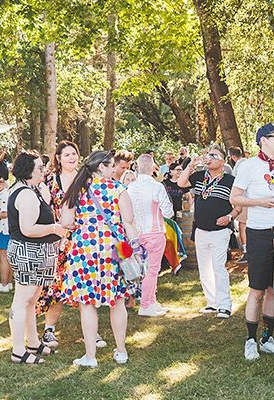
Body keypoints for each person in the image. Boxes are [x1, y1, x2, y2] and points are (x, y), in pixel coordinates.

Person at [230, 123, 274, 360]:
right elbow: (235, 198)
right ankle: (250, 340)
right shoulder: (248, 166)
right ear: (263, 140)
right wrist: (259, 202)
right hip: (259, 232)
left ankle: (267, 338)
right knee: (257, 290)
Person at [61, 150, 139, 368]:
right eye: (112, 165)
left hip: (84, 249)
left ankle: (90, 356)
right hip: (114, 249)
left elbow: (66, 221)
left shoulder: (77, 189)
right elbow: (129, 222)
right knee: (118, 300)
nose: (114, 169)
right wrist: (136, 249)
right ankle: (121, 351)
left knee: (87, 302)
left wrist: (84, 225)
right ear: (101, 167)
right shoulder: (119, 189)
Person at [6, 151, 66, 364]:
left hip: (36, 252)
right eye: (40, 167)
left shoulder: (31, 190)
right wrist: (55, 228)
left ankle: (33, 343)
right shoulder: (26, 194)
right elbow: (28, 229)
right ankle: (18, 350)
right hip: (28, 252)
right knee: (22, 301)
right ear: (28, 170)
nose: (44, 170)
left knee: (31, 301)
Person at [179, 147, 241, 319]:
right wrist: (191, 165)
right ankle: (212, 302)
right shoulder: (199, 176)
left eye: (214, 155)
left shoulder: (230, 180)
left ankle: (224, 305)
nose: (210, 158)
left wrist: (229, 217)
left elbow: (238, 206)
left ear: (223, 161)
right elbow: (181, 183)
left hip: (220, 231)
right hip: (200, 229)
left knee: (218, 267)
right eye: (209, 155)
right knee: (204, 268)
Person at [37, 141, 86, 348]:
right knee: (55, 285)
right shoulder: (50, 181)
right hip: (57, 240)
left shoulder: (86, 179)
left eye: (74, 153)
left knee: (84, 283)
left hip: (83, 239)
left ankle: (90, 331)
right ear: (58, 158)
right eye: (67, 154)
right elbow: (43, 209)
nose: (71, 157)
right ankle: (49, 330)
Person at [126, 154, 173, 317]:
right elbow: (168, 213)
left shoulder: (130, 188)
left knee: (146, 270)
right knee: (152, 270)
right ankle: (145, 305)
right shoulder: (157, 187)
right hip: (154, 232)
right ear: (153, 167)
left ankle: (152, 302)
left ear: (137, 167)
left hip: (135, 234)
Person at [228, 146, 248, 262]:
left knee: (242, 225)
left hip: (243, 198)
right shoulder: (248, 163)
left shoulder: (240, 166)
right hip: (250, 198)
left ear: (233, 157)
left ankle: (246, 251)